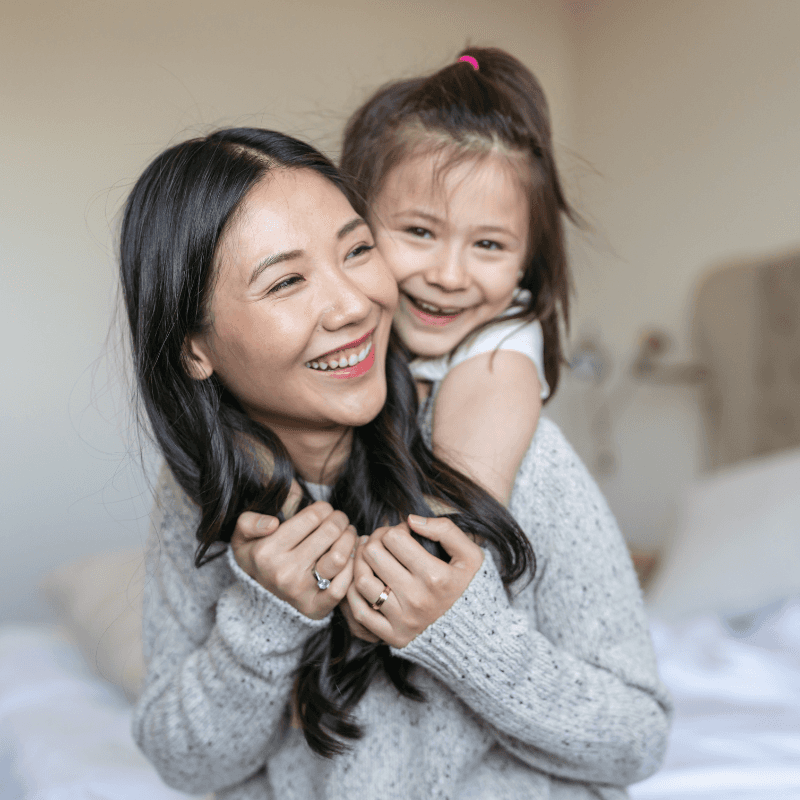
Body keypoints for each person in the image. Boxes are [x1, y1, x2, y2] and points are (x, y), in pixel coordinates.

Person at [124, 127, 671, 800]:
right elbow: (186, 767)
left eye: (357, 250)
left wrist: (466, 636)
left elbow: (637, 742)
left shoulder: (512, 452)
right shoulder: (200, 495)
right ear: (193, 349)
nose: (355, 305)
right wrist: (263, 620)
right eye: (288, 280)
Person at [339, 46, 578, 506]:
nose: (449, 277)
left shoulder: (501, 358)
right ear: (356, 222)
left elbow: (446, 543)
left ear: (527, 260)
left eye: (488, 245)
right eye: (419, 231)